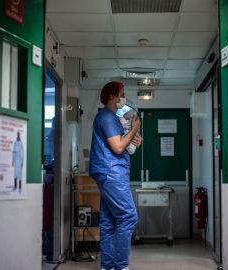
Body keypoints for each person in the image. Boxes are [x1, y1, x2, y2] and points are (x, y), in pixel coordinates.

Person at [89, 81, 142, 270]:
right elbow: (118, 147)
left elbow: (126, 145)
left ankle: (108, 266)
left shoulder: (110, 118)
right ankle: (121, 266)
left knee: (109, 220)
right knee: (128, 217)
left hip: (107, 172)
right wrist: (134, 129)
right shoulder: (107, 117)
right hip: (111, 173)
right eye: (121, 93)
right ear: (112, 96)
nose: (123, 97)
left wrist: (135, 140)